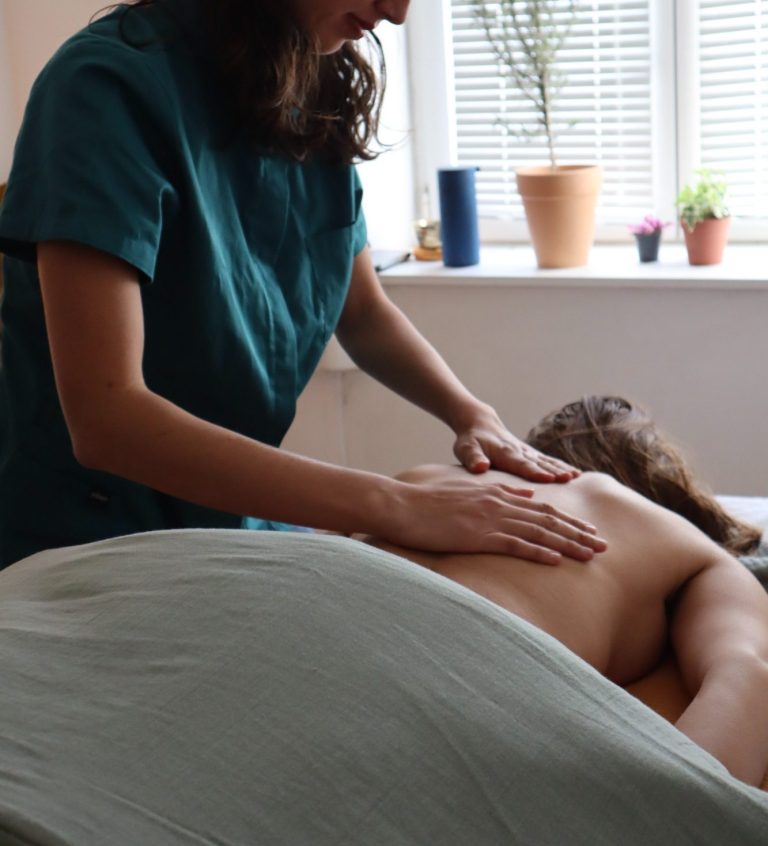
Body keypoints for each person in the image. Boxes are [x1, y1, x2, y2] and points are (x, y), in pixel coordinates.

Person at [0, 0, 608, 570]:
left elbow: (364, 312)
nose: (396, 14)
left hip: (228, 527)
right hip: (81, 540)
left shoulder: (307, 84)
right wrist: (396, 503)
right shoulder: (102, 90)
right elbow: (108, 420)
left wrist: (472, 415)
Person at [366, 396, 768, 786]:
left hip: (331, 605)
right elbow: (747, 676)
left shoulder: (421, 480)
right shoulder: (679, 538)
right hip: (464, 685)